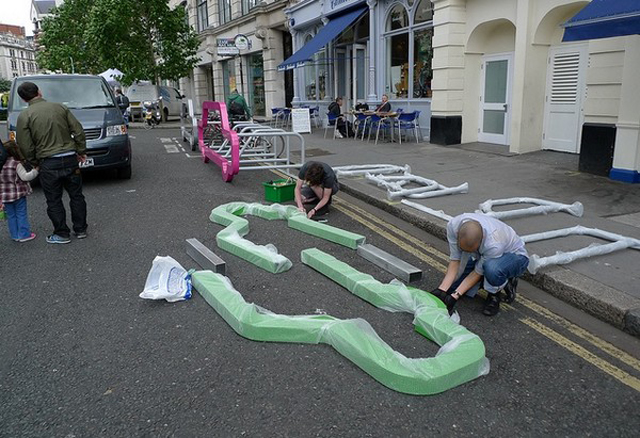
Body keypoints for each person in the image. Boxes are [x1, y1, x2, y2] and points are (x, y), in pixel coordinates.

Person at [16, 81, 89, 244]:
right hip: (70, 158)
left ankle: (62, 233)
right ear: (39, 92)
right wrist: (81, 151)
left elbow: (24, 144)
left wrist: (34, 161)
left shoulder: (25, 116)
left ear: (23, 99)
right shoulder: (60, 107)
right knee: (76, 195)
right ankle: (81, 229)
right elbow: (78, 130)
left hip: (48, 162)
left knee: (54, 199)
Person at [430, 213, 529, 316]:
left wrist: (456, 296)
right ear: (458, 233)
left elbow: (477, 272)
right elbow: (455, 261)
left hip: (515, 257)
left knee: (492, 269)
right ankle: (485, 280)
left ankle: (495, 293)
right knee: (452, 288)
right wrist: (442, 289)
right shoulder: (453, 226)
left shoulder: (494, 244)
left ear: (481, 241)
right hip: (482, 256)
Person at [0, 140, 38, 242]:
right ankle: (24, 235)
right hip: (18, 194)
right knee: (21, 213)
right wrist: (35, 171)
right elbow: (25, 177)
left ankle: (15, 235)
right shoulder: (16, 164)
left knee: (11, 215)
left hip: (5, 196)